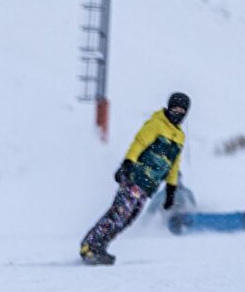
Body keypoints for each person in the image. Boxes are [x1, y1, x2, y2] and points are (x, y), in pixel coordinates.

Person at [80, 92, 189, 265]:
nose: (177, 113)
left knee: (128, 219)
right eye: (175, 108)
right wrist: (128, 162)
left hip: (148, 186)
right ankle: (90, 245)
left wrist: (170, 190)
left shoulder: (180, 136)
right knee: (119, 213)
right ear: (169, 108)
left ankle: (100, 247)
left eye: (181, 110)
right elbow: (139, 143)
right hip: (135, 177)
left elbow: (174, 164)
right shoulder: (157, 124)